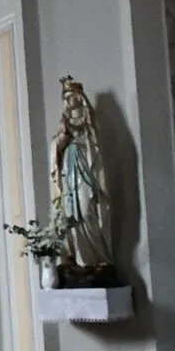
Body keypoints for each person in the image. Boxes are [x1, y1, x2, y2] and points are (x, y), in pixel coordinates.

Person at [50, 77, 112, 282]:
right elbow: (56, 147)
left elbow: (94, 144)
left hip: (85, 171)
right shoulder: (64, 122)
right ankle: (80, 261)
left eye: (71, 96)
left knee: (87, 211)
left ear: (79, 97)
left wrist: (81, 138)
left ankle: (99, 258)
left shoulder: (88, 120)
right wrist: (62, 140)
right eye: (65, 98)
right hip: (69, 171)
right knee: (71, 217)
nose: (69, 101)